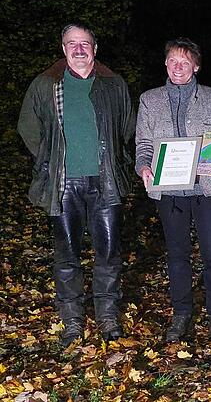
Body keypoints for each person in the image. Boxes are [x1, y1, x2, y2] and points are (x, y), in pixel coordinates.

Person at [17, 23, 134, 346]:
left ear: (94, 49)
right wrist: (50, 157)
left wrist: (109, 157)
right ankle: (72, 321)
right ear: (63, 49)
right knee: (67, 255)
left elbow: (126, 127)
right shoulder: (45, 85)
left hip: (105, 182)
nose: (79, 49)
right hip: (63, 183)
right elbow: (29, 127)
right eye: (72, 44)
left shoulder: (113, 84)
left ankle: (108, 317)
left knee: (108, 252)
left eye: (85, 43)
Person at [135, 38, 211, 342]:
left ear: (196, 66)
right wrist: (143, 166)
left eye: (185, 61)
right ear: (166, 64)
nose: (179, 67)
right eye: (173, 61)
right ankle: (181, 313)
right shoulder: (149, 100)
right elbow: (144, 144)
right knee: (177, 254)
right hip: (169, 190)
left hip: (207, 188)